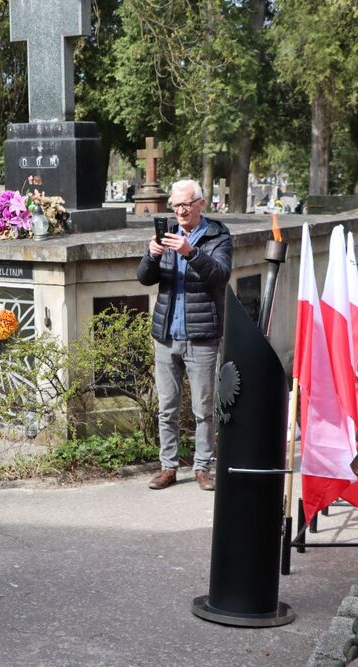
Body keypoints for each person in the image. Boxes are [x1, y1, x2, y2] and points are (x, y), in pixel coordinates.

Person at [137, 179, 233, 491]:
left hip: (201, 337)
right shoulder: (166, 233)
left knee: (203, 408)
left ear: (200, 204)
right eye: (176, 205)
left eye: (186, 204)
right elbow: (144, 278)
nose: (180, 211)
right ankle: (168, 467)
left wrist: (191, 252)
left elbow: (220, 276)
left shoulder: (218, 235)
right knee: (167, 407)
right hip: (166, 335)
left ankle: (203, 467)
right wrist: (151, 255)